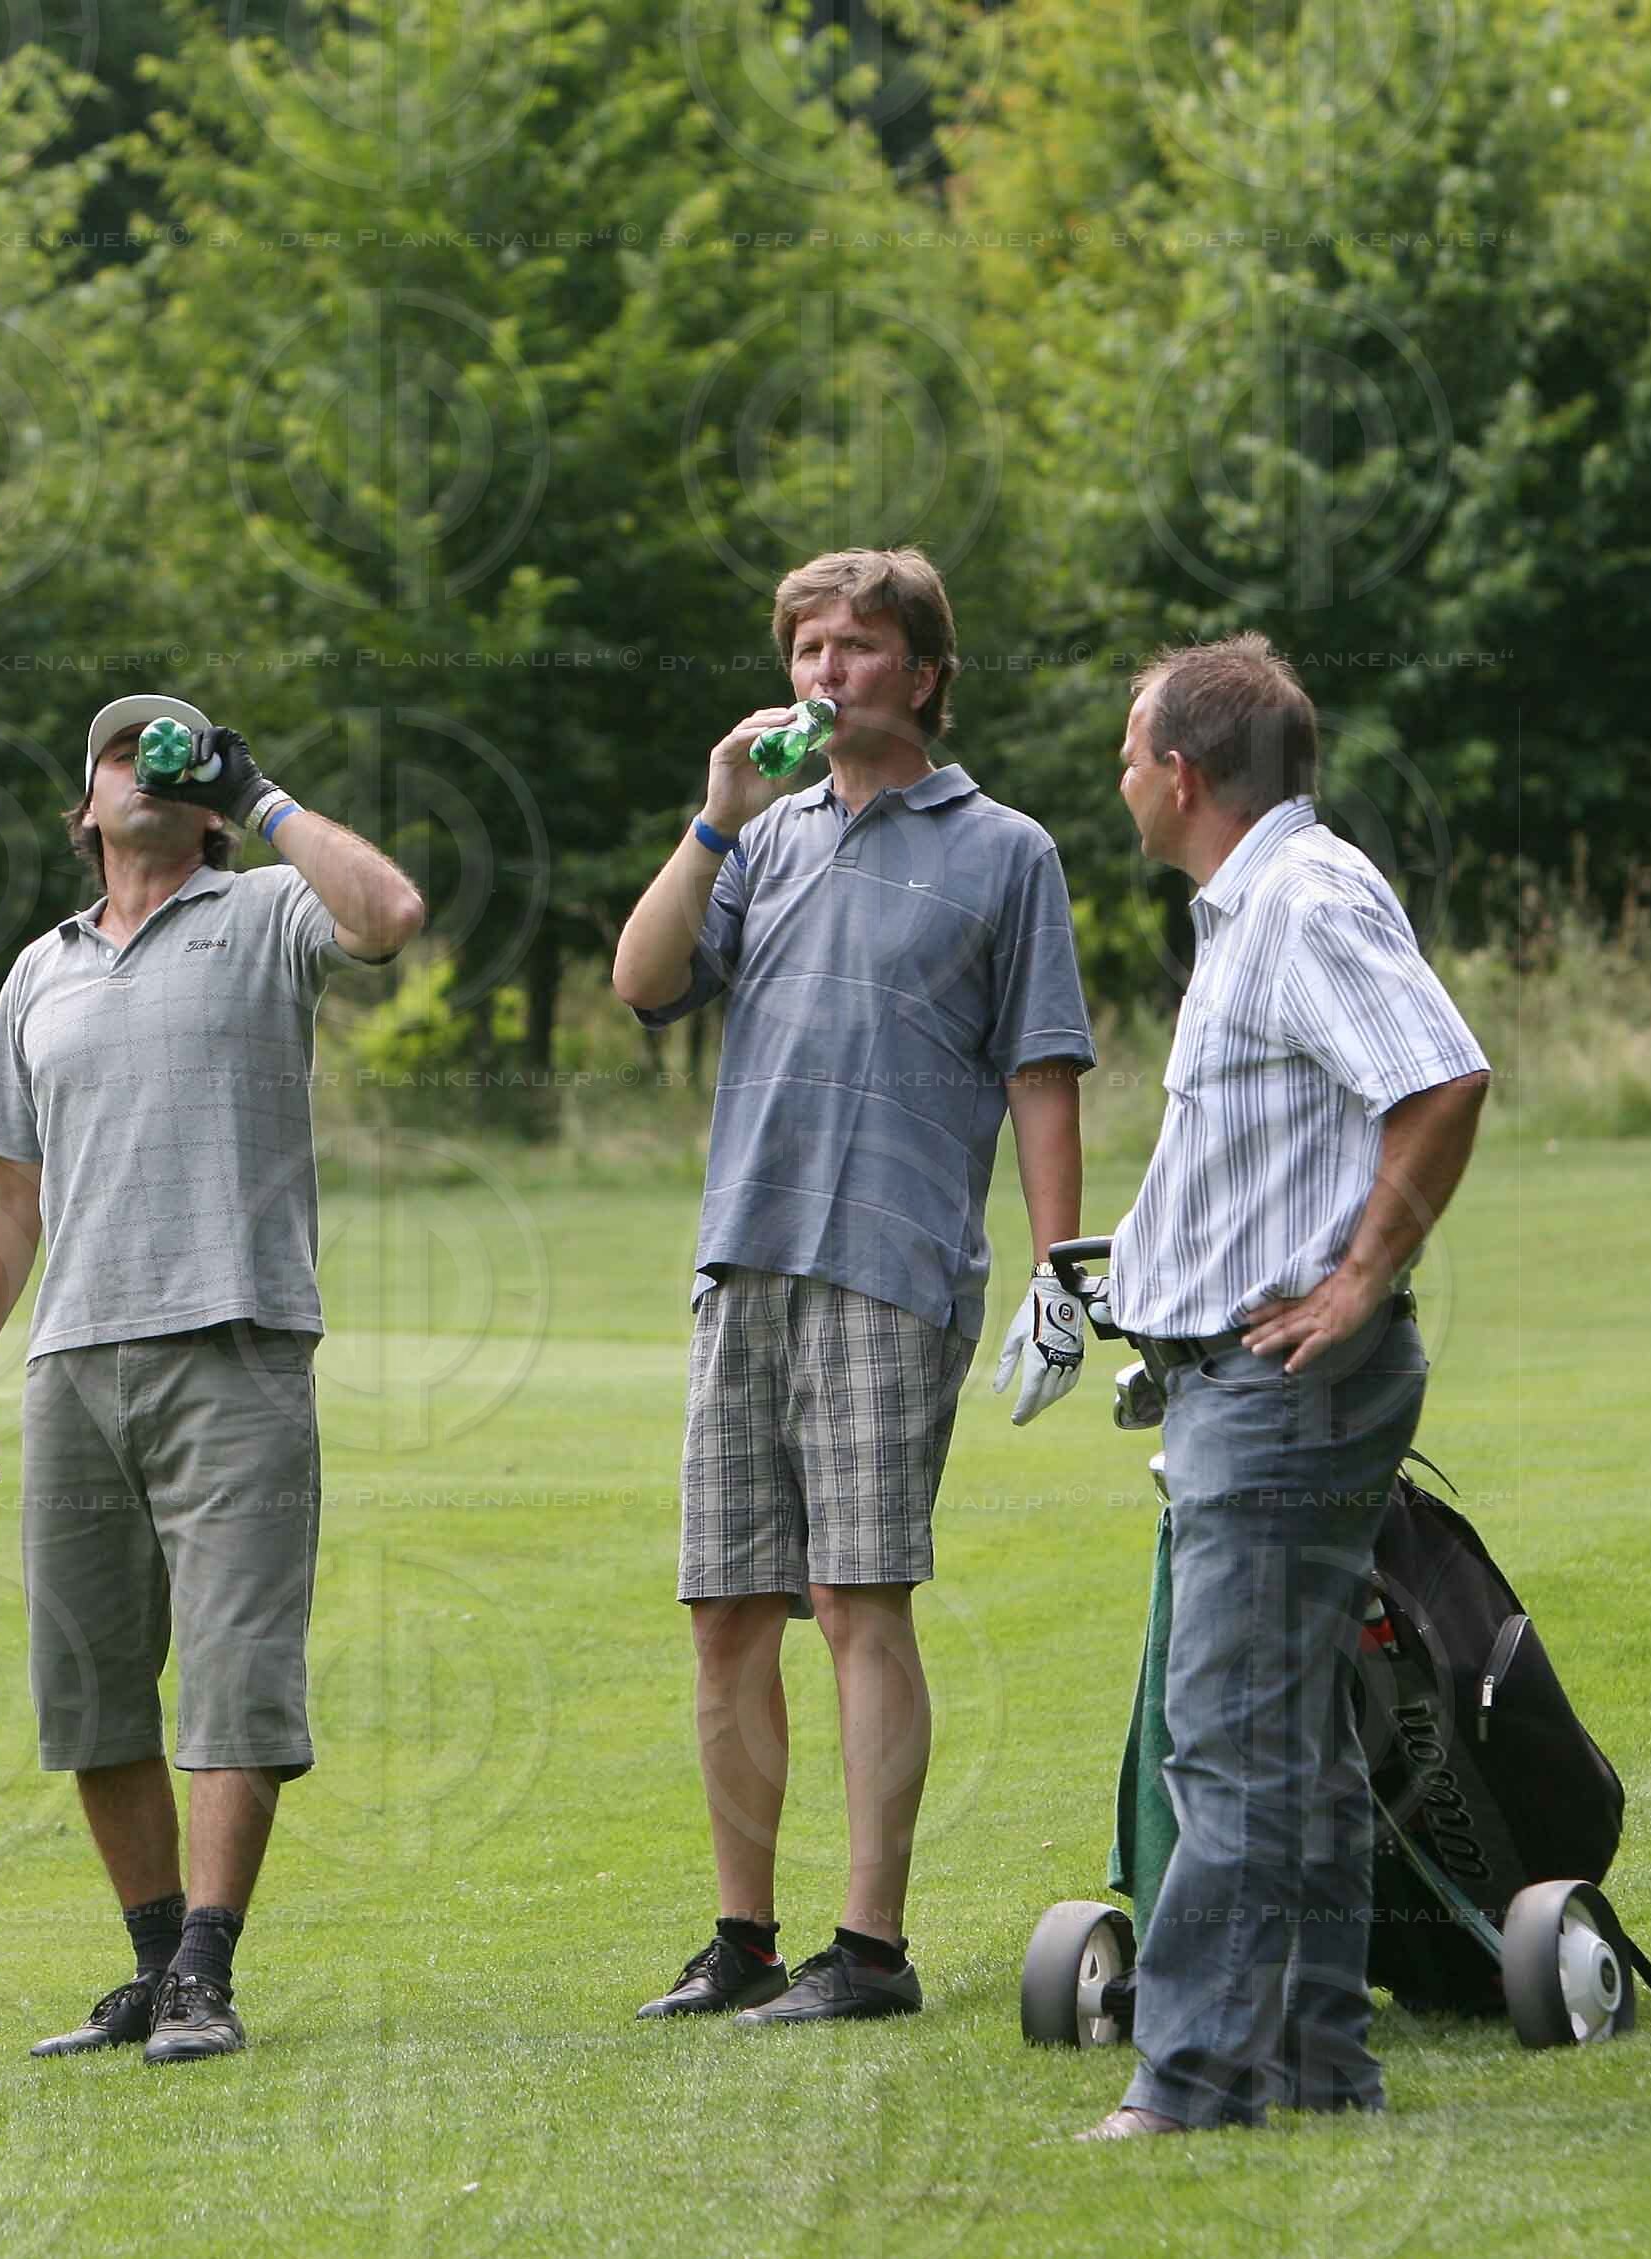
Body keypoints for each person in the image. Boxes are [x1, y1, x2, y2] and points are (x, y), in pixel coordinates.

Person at [610, 548, 1095, 2026]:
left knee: (856, 1597)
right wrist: (713, 815)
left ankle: (869, 1949)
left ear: (926, 674)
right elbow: (642, 981)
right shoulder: (760, 841)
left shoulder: (1006, 849)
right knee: (726, 1612)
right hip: (743, 1256)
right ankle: (744, 1938)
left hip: (891, 1269)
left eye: (859, 649)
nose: (826, 674)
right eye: (808, 648)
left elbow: (1040, 1072)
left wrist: (1064, 1273)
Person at [0, 693, 425, 2064]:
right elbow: (3, 1192)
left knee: (233, 1677)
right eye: (117, 749)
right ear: (82, 806)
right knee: (87, 1691)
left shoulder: (266, 910)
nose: (145, 762)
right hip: (75, 1359)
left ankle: (209, 1968)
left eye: (175, 747)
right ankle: (153, 1964)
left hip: (237, 1338)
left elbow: (388, 916)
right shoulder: (42, 970)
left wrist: (256, 794)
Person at [1076, 635, 1489, 2139]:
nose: (1120, 780)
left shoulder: (1302, 901)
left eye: (1129, 756)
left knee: (1230, 1745)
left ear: (1182, 775)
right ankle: (1318, 2063)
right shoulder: (1256, 910)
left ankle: (1196, 2081)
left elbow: (1441, 1077)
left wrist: (1360, 1276)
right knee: (1293, 1740)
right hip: (1241, 1381)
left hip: (1282, 1390)